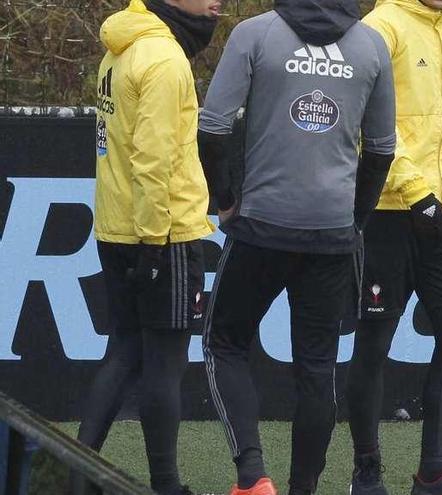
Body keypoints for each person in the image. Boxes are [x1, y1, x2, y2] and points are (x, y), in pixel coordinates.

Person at [197, 0, 397, 493]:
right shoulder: (371, 44)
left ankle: (251, 475)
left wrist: (224, 200)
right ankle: (301, 489)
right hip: (330, 234)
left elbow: (213, 127)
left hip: (262, 224)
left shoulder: (255, 33)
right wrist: (354, 220)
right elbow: (384, 148)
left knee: (223, 342)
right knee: (317, 369)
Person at [345, 1, 442, 495]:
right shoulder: (379, 27)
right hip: (389, 211)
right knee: (373, 341)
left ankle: (434, 474)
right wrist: (415, 192)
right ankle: (366, 470)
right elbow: (368, 120)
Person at [75, 0, 220, 493]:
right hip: (162, 232)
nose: (217, 2)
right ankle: (166, 485)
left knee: (124, 352)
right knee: (164, 362)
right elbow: (152, 157)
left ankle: (73, 471)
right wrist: (156, 241)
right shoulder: (163, 57)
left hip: (117, 227)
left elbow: (109, 144)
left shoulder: (121, 48)